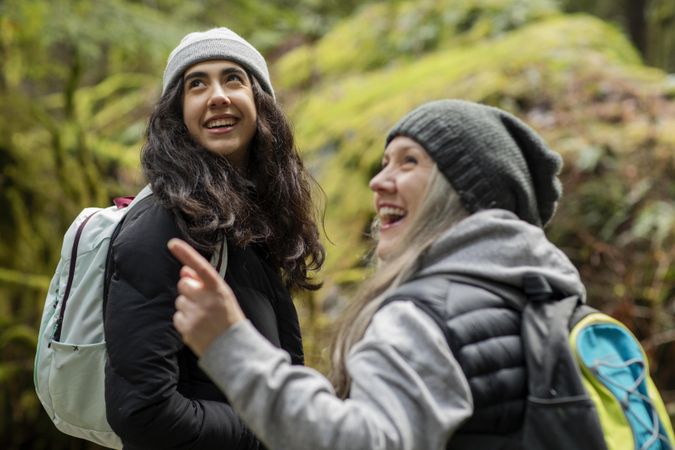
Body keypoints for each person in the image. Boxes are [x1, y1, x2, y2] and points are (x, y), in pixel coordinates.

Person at [168, 99, 586, 450]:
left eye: (409, 162)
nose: (378, 181)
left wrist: (231, 346)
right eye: (385, 162)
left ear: (461, 192)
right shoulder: (542, 295)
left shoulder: (426, 314)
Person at [103, 27, 324, 450]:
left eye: (233, 79)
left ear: (261, 103)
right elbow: (142, 411)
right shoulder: (163, 227)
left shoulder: (248, 219)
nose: (217, 95)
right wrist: (268, 428)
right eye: (196, 84)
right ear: (178, 113)